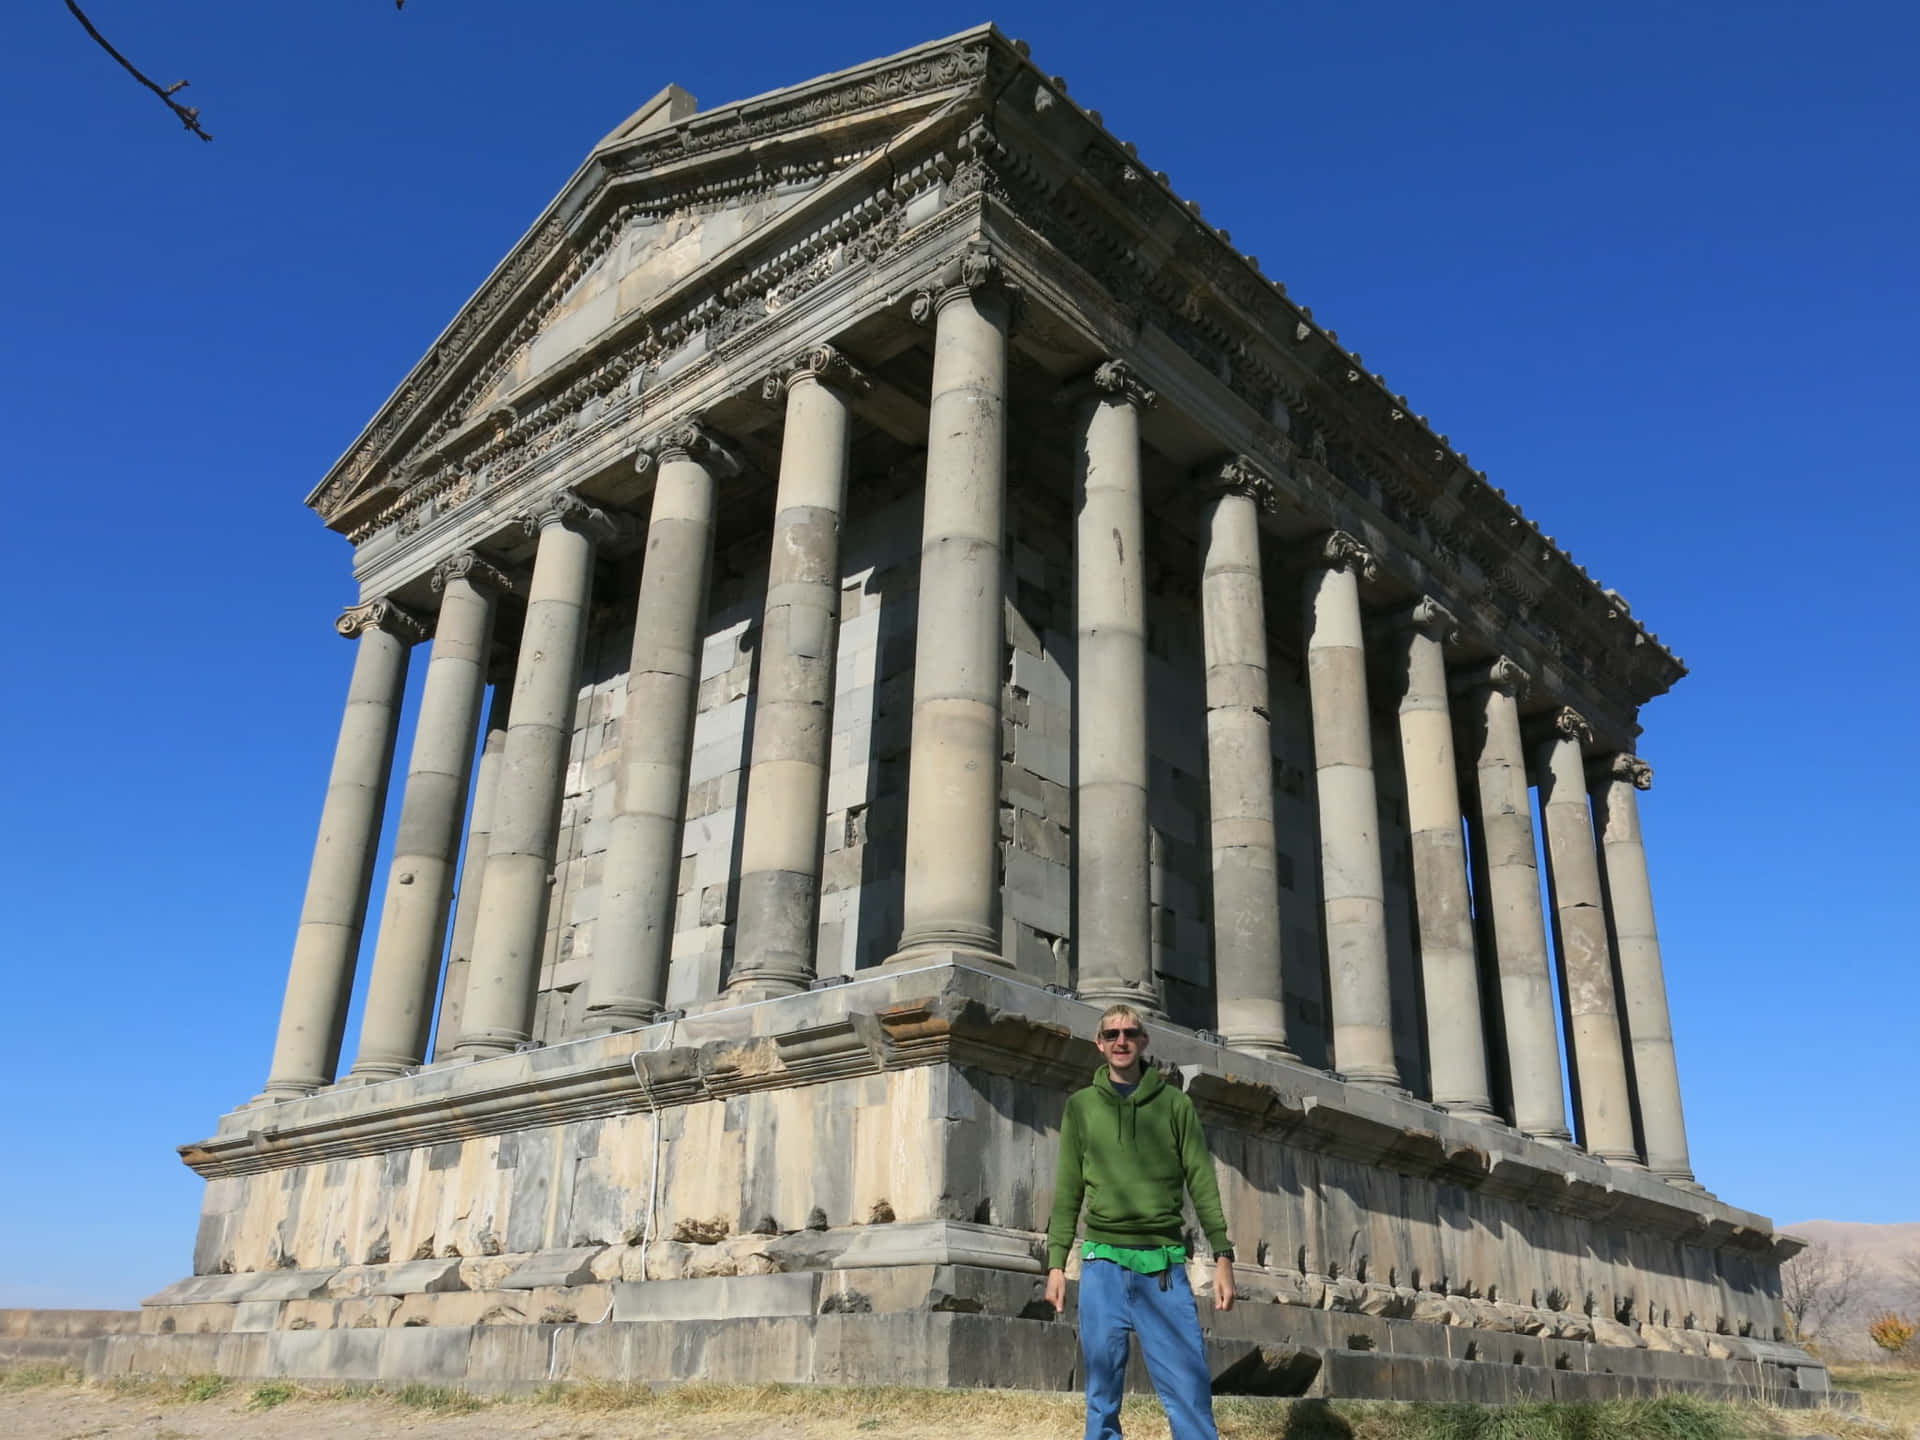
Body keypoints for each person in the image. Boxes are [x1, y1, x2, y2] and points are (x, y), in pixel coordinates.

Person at [1045, 1004, 1235, 1440]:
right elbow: (1068, 1190)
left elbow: (1202, 1182)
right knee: (1102, 1394)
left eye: (1130, 1033)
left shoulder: (1175, 1105)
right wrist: (1056, 1265)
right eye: (1111, 1035)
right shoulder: (1081, 1107)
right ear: (1099, 1044)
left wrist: (1223, 1257)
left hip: (1163, 1268)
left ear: (1144, 1041)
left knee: (1188, 1389)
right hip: (1101, 1266)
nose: (1121, 1041)